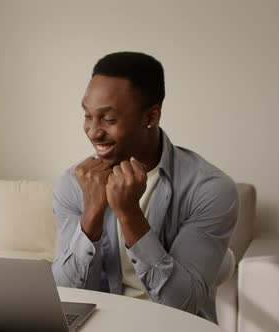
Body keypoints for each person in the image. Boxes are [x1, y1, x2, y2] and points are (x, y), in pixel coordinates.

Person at [51, 52, 238, 322]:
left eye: (109, 119)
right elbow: (64, 296)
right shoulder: (75, 182)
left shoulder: (209, 189)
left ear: (151, 116)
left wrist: (129, 214)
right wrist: (91, 214)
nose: (93, 132)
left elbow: (181, 305)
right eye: (88, 116)